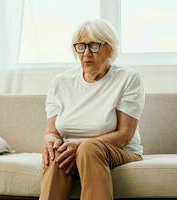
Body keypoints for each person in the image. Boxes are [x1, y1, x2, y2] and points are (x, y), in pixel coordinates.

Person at [39, 19, 145, 200]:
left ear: (110, 49)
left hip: (118, 151)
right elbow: (52, 132)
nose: (86, 53)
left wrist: (78, 147)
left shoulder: (128, 79)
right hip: (71, 152)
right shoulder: (60, 82)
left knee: (89, 148)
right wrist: (51, 143)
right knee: (58, 155)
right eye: (81, 46)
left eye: (94, 46)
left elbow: (124, 135)